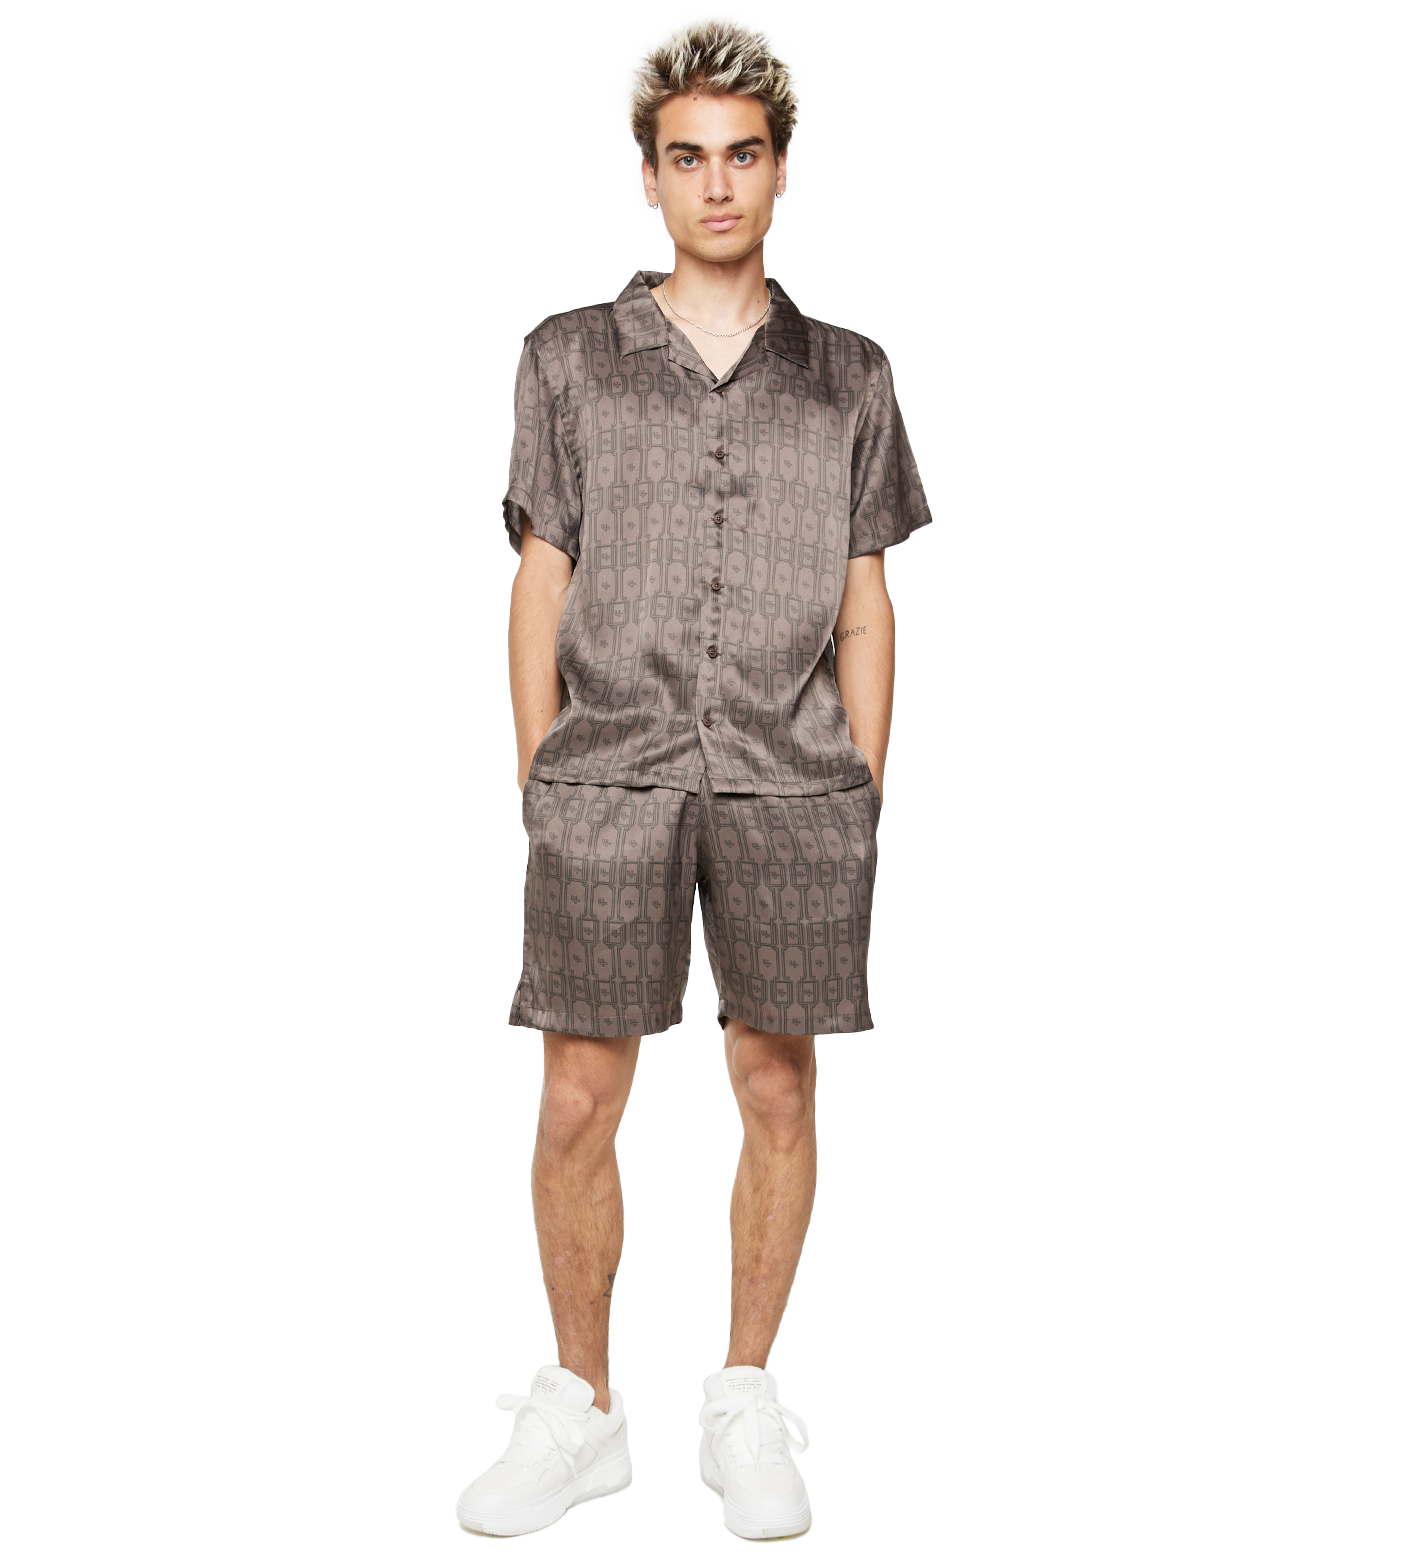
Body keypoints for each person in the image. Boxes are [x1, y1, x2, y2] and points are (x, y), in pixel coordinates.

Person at [457, 14, 931, 1541]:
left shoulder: (849, 376)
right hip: (608, 775)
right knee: (576, 1095)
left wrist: (860, 785)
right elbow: (540, 579)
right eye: (687, 158)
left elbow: (867, 601)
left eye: (742, 156)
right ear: (650, 178)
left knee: (775, 1081)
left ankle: (744, 1392)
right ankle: (581, 1404)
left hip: (797, 787)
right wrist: (541, 778)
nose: (716, 184)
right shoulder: (567, 359)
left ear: (781, 172)